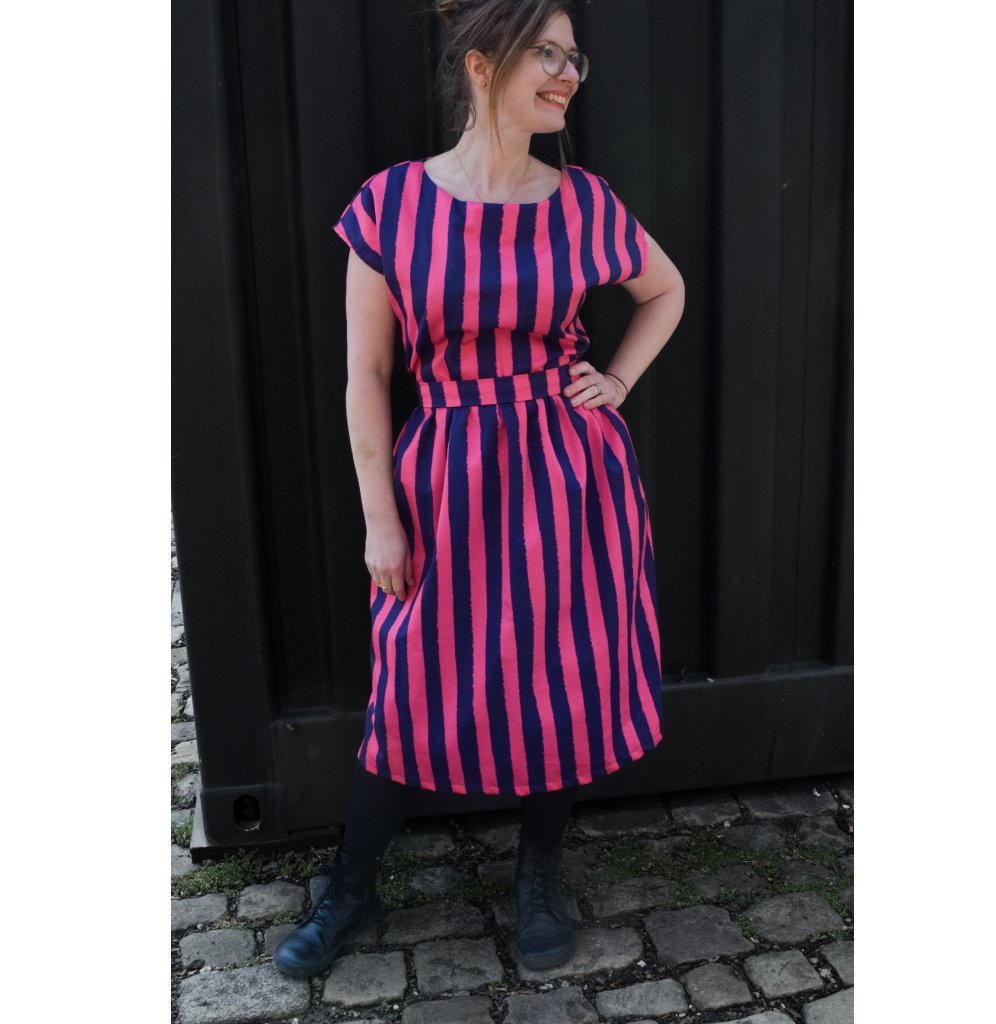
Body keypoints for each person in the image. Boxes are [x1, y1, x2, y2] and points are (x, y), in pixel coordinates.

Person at [273, 0, 686, 980]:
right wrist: (380, 518)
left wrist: (616, 381)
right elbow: (366, 375)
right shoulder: (390, 206)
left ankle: (539, 870)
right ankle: (353, 884)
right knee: (413, 680)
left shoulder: (584, 203)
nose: (568, 73)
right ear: (480, 64)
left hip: (572, 480)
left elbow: (664, 290)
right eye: (547, 53)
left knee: (560, 676)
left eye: (574, 57)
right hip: (446, 480)